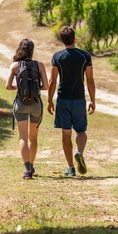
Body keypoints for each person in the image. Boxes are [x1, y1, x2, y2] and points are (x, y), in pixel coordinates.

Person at [47, 25, 95, 177]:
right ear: (75, 39)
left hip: (63, 100)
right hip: (79, 99)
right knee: (81, 131)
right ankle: (79, 152)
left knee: (66, 135)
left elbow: (52, 80)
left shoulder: (57, 57)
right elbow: (90, 79)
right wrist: (92, 100)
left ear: (62, 40)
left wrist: (49, 100)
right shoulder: (85, 56)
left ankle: (70, 168)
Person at [6, 38, 49, 179]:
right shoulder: (40, 66)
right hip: (36, 105)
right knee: (33, 138)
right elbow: (46, 86)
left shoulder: (15, 66)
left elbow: (8, 86)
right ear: (32, 50)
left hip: (21, 104)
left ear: (20, 49)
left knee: (23, 137)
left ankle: (27, 169)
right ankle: (31, 165)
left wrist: (18, 87)